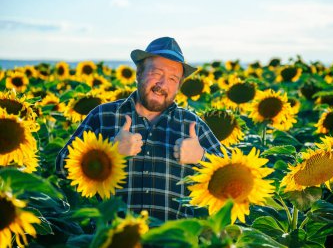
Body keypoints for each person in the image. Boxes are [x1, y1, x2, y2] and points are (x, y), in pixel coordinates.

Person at [56, 37, 223, 222]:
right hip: (115, 238)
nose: (162, 83)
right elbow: (62, 167)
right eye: (157, 73)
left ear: (178, 86)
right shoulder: (104, 116)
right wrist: (108, 152)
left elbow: (235, 174)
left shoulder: (192, 124)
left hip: (172, 239)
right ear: (139, 73)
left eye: (173, 78)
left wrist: (201, 157)